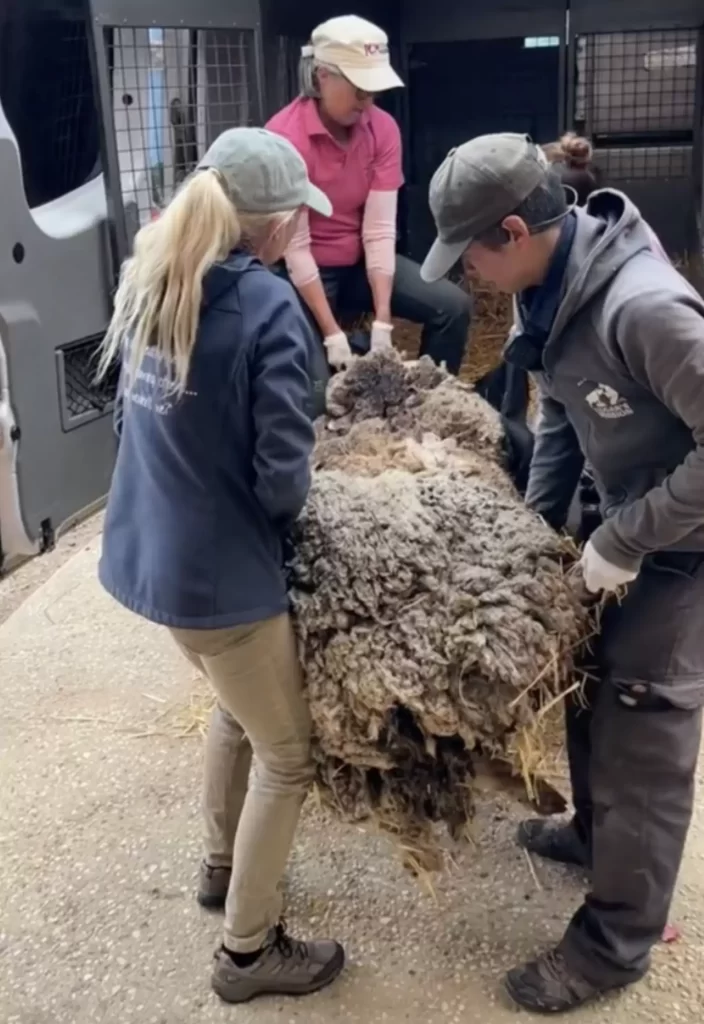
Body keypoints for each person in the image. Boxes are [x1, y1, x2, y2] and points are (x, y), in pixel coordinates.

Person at [421, 132, 704, 1014]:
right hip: (617, 513)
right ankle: (593, 832)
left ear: (514, 227)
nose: (465, 270)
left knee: (643, 727)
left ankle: (613, 947)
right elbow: (558, 413)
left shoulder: (645, 307)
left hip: (682, 544)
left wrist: (629, 536)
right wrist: (535, 529)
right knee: (586, 685)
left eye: (470, 251)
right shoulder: (551, 291)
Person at [97, 126, 345, 1004]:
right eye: (294, 219)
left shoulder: (153, 279)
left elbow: (131, 425)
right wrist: (295, 519)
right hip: (225, 583)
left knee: (236, 711)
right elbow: (283, 474)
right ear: (270, 224)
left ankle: (218, 865)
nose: (297, 232)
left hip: (152, 566)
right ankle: (248, 952)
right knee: (290, 755)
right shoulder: (268, 308)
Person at [266, 14, 472, 415]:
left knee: (452, 307)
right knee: (317, 392)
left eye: (373, 91)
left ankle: (431, 409)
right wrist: (331, 333)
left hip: (359, 261)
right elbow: (296, 246)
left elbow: (378, 231)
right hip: (304, 269)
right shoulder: (284, 137)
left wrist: (382, 324)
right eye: (359, 89)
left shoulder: (382, 129)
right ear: (323, 76)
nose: (367, 102)